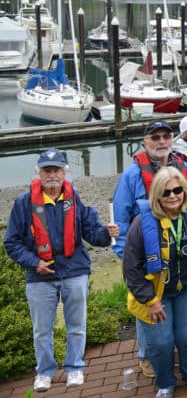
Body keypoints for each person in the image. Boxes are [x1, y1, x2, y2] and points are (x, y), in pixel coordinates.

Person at [4, 149, 118, 393]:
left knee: (76, 324)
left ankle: (75, 366)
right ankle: (44, 371)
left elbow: (93, 234)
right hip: (39, 276)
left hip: (74, 271)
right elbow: (11, 243)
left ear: (65, 172)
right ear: (39, 172)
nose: (52, 174)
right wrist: (34, 262)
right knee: (41, 329)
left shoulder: (75, 200)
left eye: (57, 170)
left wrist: (107, 233)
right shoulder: (24, 204)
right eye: (47, 170)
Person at [123, 167, 187, 398]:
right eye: (166, 192)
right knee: (160, 342)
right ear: (157, 194)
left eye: (178, 190)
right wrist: (149, 300)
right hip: (156, 293)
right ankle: (165, 383)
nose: (172, 196)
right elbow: (131, 267)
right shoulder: (141, 224)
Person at [112, 120, 187, 379]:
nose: (161, 142)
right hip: (144, 252)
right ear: (145, 142)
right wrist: (124, 254)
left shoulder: (183, 167)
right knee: (146, 303)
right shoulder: (132, 175)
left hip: (177, 250)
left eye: (166, 136)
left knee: (175, 302)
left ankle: (169, 350)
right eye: (155, 137)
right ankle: (146, 354)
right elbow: (121, 216)